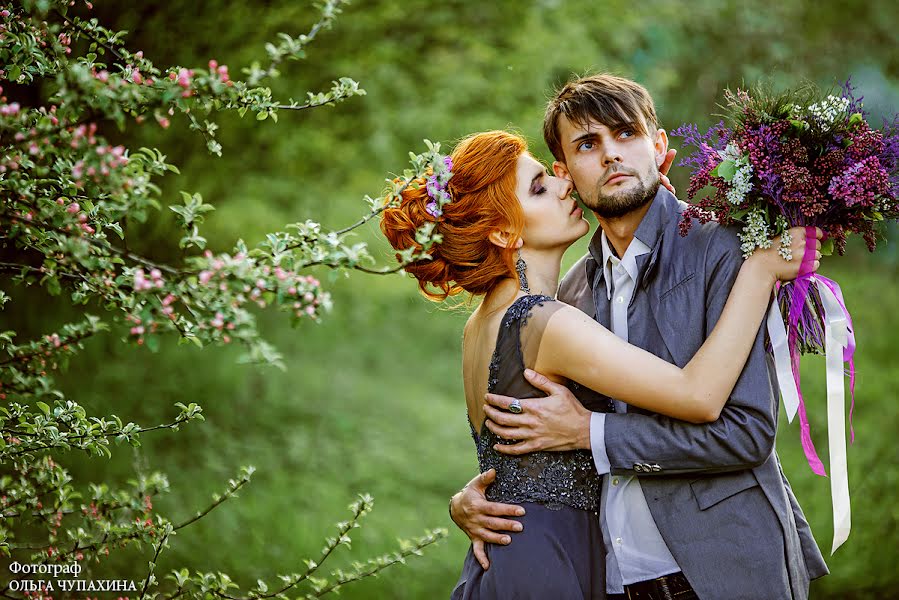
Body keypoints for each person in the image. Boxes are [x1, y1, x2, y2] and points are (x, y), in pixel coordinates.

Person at [380, 124, 821, 599]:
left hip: (512, 551)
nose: (564, 184)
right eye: (539, 188)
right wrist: (758, 272)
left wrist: (653, 217)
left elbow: (515, 461)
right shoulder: (544, 321)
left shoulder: (487, 322)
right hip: (548, 558)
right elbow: (698, 395)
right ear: (505, 232)